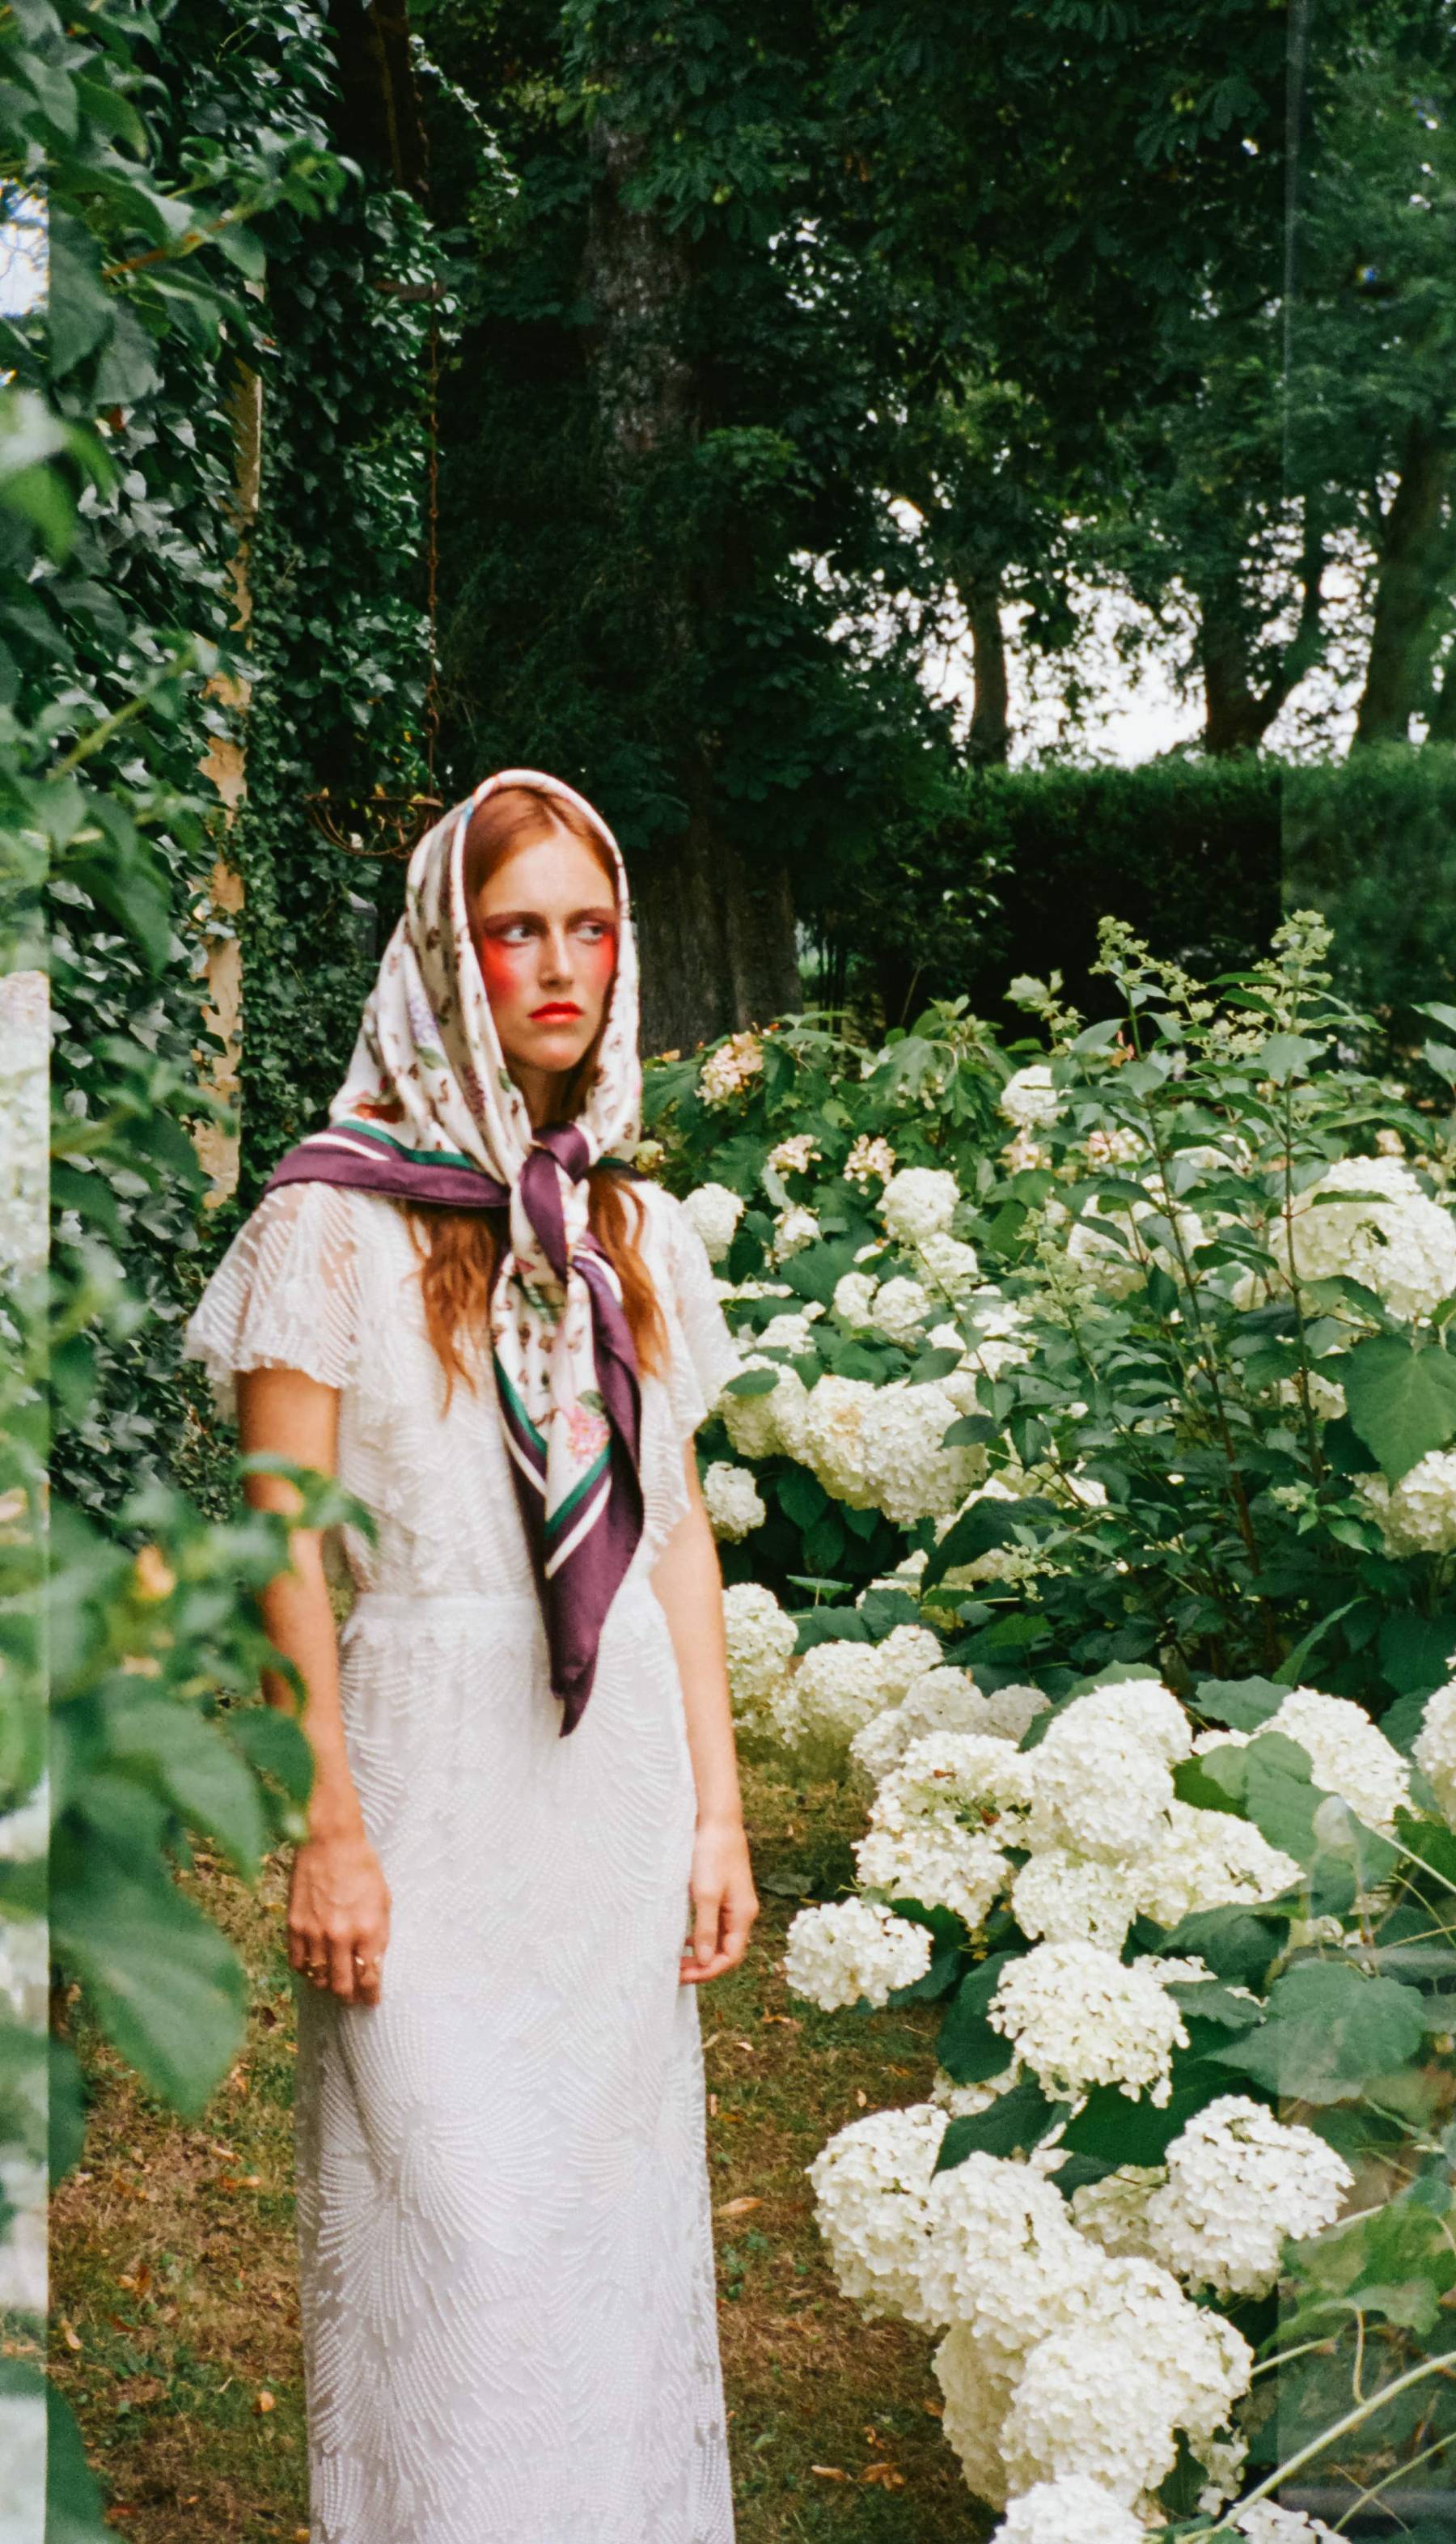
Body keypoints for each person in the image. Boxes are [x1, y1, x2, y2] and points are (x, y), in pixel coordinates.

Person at [187, 770, 752, 2542]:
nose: (561, 967)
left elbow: (670, 1534)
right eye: (518, 931)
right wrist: (327, 1828)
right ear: (447, 957)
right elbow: (283, 1548)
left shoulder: (634, 1231)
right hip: (425, 1775)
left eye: (591, 929)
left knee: (603, 2235)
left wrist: (719, 1815)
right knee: (454, 2238)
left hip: (611, 1779)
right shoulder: (326, 1223)